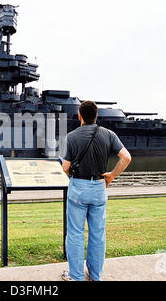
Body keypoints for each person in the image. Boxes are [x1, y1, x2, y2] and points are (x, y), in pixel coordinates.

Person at [61, 100, 132, 281]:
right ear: (96, 116)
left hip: (79, 187)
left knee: (76, 233)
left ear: (80, 116)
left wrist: (73, 173)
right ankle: (95, 275)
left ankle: (76, 276)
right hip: (100, 186)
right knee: (98, 234)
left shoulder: (71, 136)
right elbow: (126, 157)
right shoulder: (109, 134)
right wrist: (112, 175)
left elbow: (65, 167)